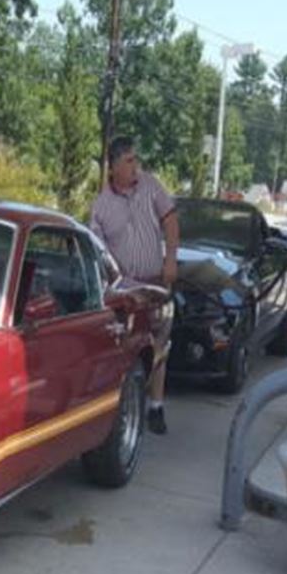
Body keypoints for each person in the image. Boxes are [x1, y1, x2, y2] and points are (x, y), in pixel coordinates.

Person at [89, 136, 179, 435]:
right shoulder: (101, 206)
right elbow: (97, 251)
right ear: (113, 167)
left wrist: (171, 260)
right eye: (128, 161)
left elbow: (170, 220)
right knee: (132, 351)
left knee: (160, 344)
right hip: (126, 294)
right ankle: (131, 407)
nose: (135, 166)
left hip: (156, 283)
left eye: (135, 160)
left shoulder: (150, 186)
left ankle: (156, 406)